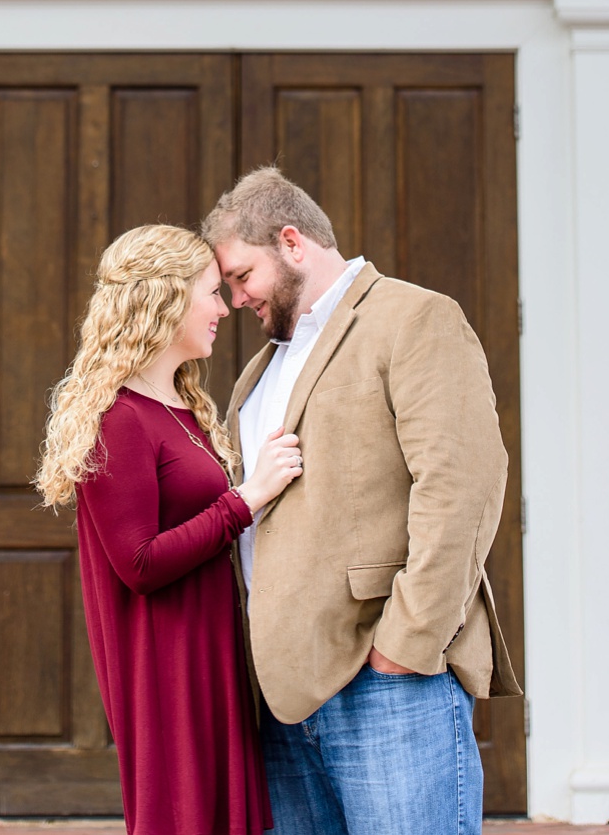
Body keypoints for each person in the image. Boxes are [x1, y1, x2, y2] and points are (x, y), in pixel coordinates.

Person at [205, 167, 519, 835]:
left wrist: (406, 643)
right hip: (283, 702)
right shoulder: (259, 372)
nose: (235, 299)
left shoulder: (414, 318)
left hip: (388, 687)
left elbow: (462, 485)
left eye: (241, 277)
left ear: (292, 242)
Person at [34, 223, 304, 835]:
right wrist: (249, 497)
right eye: (212, 292)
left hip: (211, 653)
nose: (224, 308)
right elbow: (140, 564)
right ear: (167, 298)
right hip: (167, 669)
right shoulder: (119, 419)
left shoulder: (180, 409)